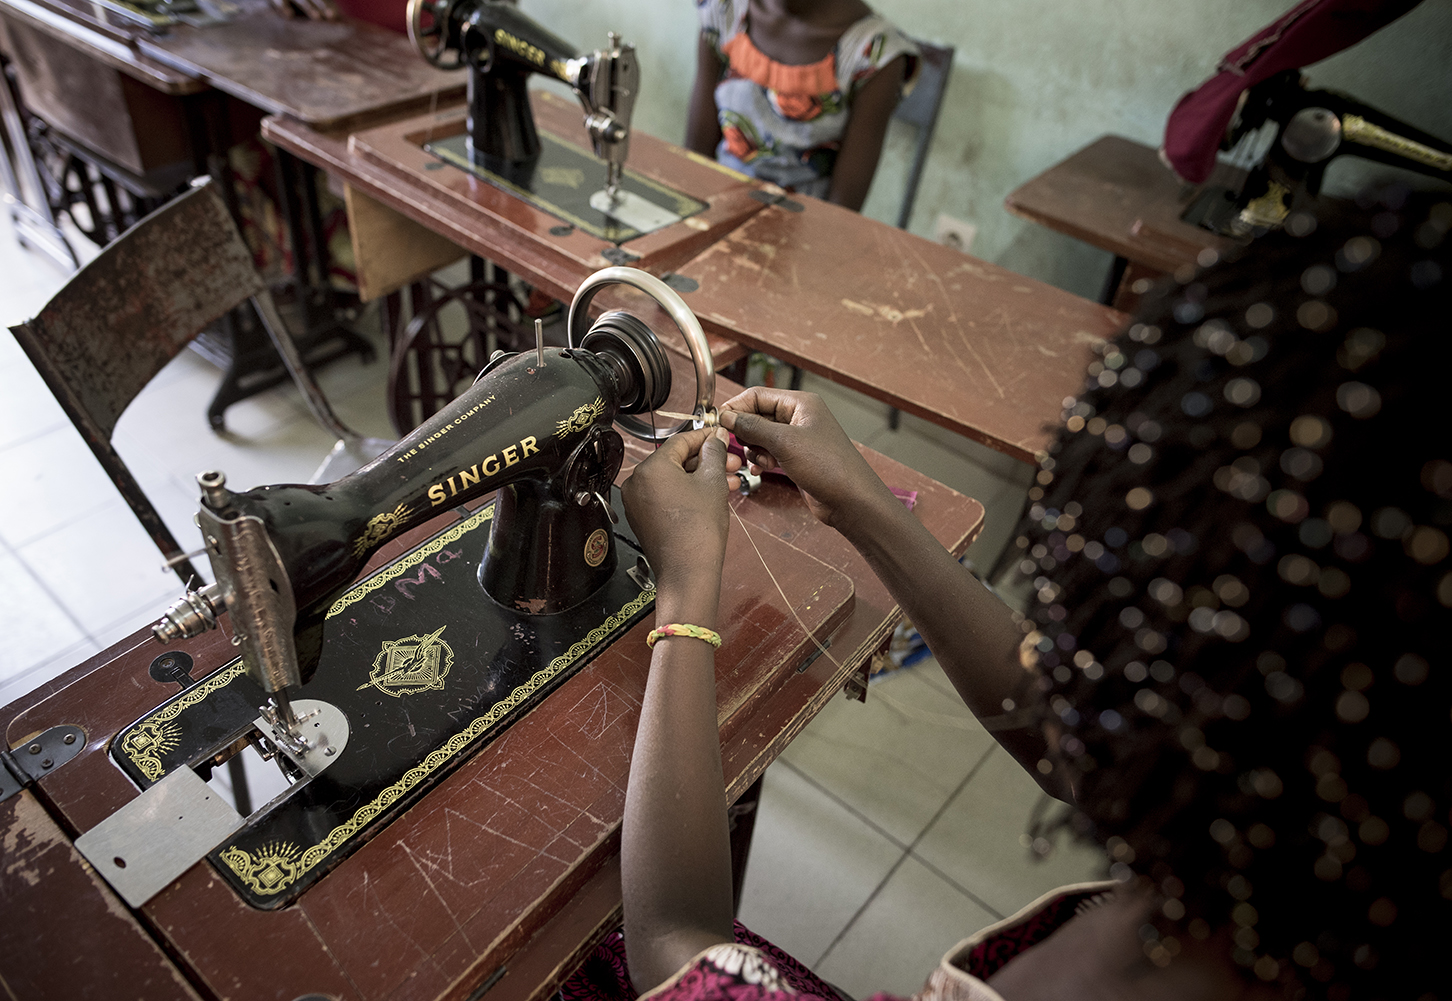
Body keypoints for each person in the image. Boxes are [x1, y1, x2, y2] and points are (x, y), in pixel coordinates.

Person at [568, 186, 1449, 1000]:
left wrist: (686, 592)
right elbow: (1073, 736)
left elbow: (674, 949)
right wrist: (866, 504)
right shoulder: (1302, 854)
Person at [686, 0, 920, 211]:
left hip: (807, 232)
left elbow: (842, 212)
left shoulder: (876, 53)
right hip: (715, 207)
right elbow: (695, 161)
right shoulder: (723, 10)